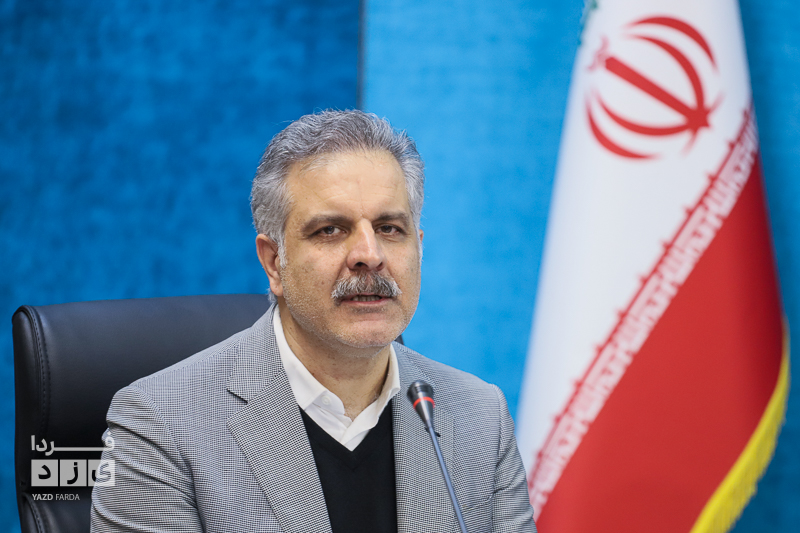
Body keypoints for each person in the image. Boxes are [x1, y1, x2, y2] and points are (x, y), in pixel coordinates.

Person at [90, 110, 536, 533]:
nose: (370, 255)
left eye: (389, 228)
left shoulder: (480, 416)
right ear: (274, 262)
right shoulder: (162, 424)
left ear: (418, 248)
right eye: (330, 230)